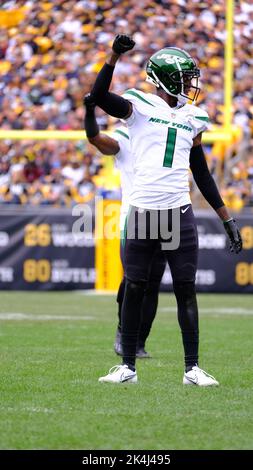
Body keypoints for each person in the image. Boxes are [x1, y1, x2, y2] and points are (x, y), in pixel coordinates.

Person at [88, 35, 242, 385]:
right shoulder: (138, 105)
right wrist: (113, 57)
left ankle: (192, 369)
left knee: (185, 289)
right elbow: (98, 97)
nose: (192, 83)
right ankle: (127, 366)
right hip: (143, 211)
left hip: (178, 212)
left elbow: (200, 171)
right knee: (136, 287)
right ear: (167, 78)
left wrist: (226, 217)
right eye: (186, 76)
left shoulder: (194, 117)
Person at [84, 95, 167, 358]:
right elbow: (97, 139)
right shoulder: (125, 136)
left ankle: (140, 341)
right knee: (133, 280)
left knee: (153, 283)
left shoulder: (164, 130)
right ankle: (124, 333)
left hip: (167, 215)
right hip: (134, 215)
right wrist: (89, 112)